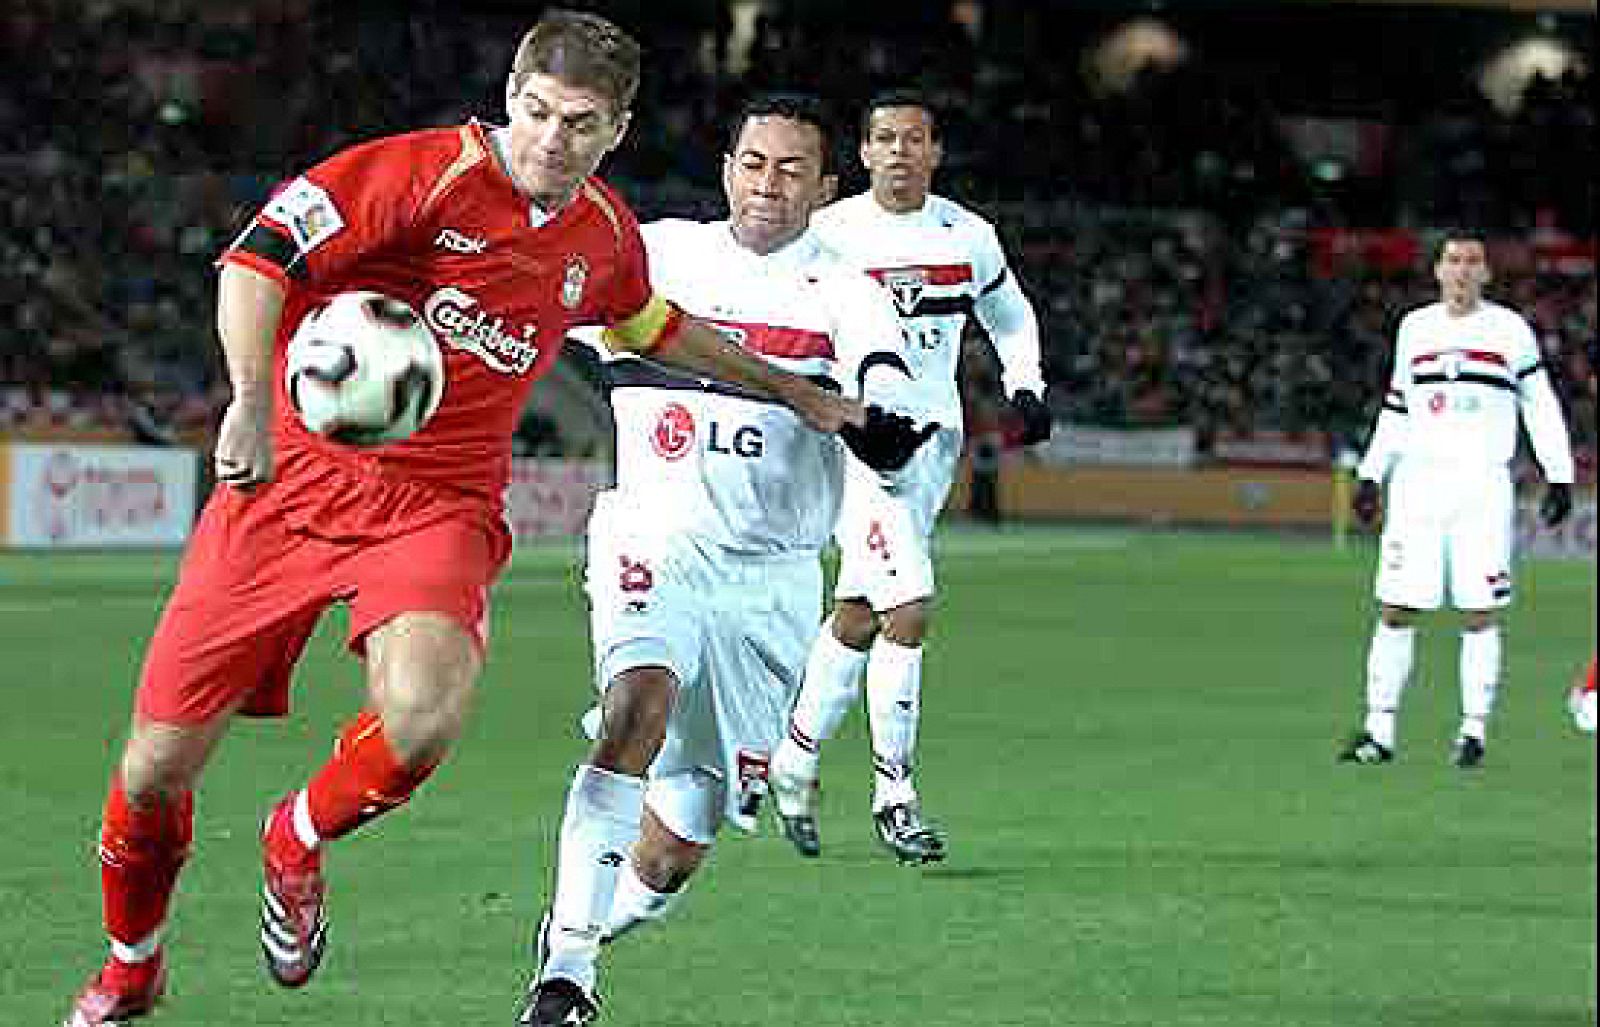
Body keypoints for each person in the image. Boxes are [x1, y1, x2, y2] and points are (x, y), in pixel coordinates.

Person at [60, 12, 863, 1026]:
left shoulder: (602, 234)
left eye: (580, 123)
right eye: (536, 112)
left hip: (436, 506)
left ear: (616, 130)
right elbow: (257, 260)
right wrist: (252, 398)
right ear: (510, 97)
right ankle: (132, 965)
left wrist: (792, 389)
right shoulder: (417, 174)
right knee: (153, 769)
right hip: (288, 488)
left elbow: (651, 323)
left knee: (423, 717)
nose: (551, 140)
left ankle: (296, 835)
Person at [515, 92, 932, 1027]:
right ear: (726, 170)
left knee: (677, 844)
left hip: (769, 580)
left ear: (825, 188)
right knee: (636, 705)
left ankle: (581, 922)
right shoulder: (654, 254)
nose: (768, 184)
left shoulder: (848, 292)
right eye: (753, 163)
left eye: (791, 169)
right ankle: (566, 977)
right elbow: (529, 288)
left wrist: (883, 422)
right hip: (651, 537)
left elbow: (882, 379)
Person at [768, 88, 1052, 862]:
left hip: (933, 443)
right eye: (885, 138)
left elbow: (1010, 315)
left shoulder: (968, 235)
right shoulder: (828, 233)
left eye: (914, 138)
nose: (899, 151)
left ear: (935, 151)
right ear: (863, 152)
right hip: (857, 443)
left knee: (860, 613)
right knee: (910, 606)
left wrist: (1026, 384)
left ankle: (792, 761)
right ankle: (895, 795)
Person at [1339, 232, 1574, 769]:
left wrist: (1558, 475)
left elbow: (1539, 403)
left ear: (1486, 273)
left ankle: (1472, 732)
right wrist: (1371, 474)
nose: (1462, 270)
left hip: (1482, 486)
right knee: (1396, 607)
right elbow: (1397, 406)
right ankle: (1379, 731)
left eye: (1472, 261)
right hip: (1418, 485)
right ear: (1438, 271)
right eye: (1453, 260)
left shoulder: (1510, 330)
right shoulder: (1415, 328)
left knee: (1480, 610)